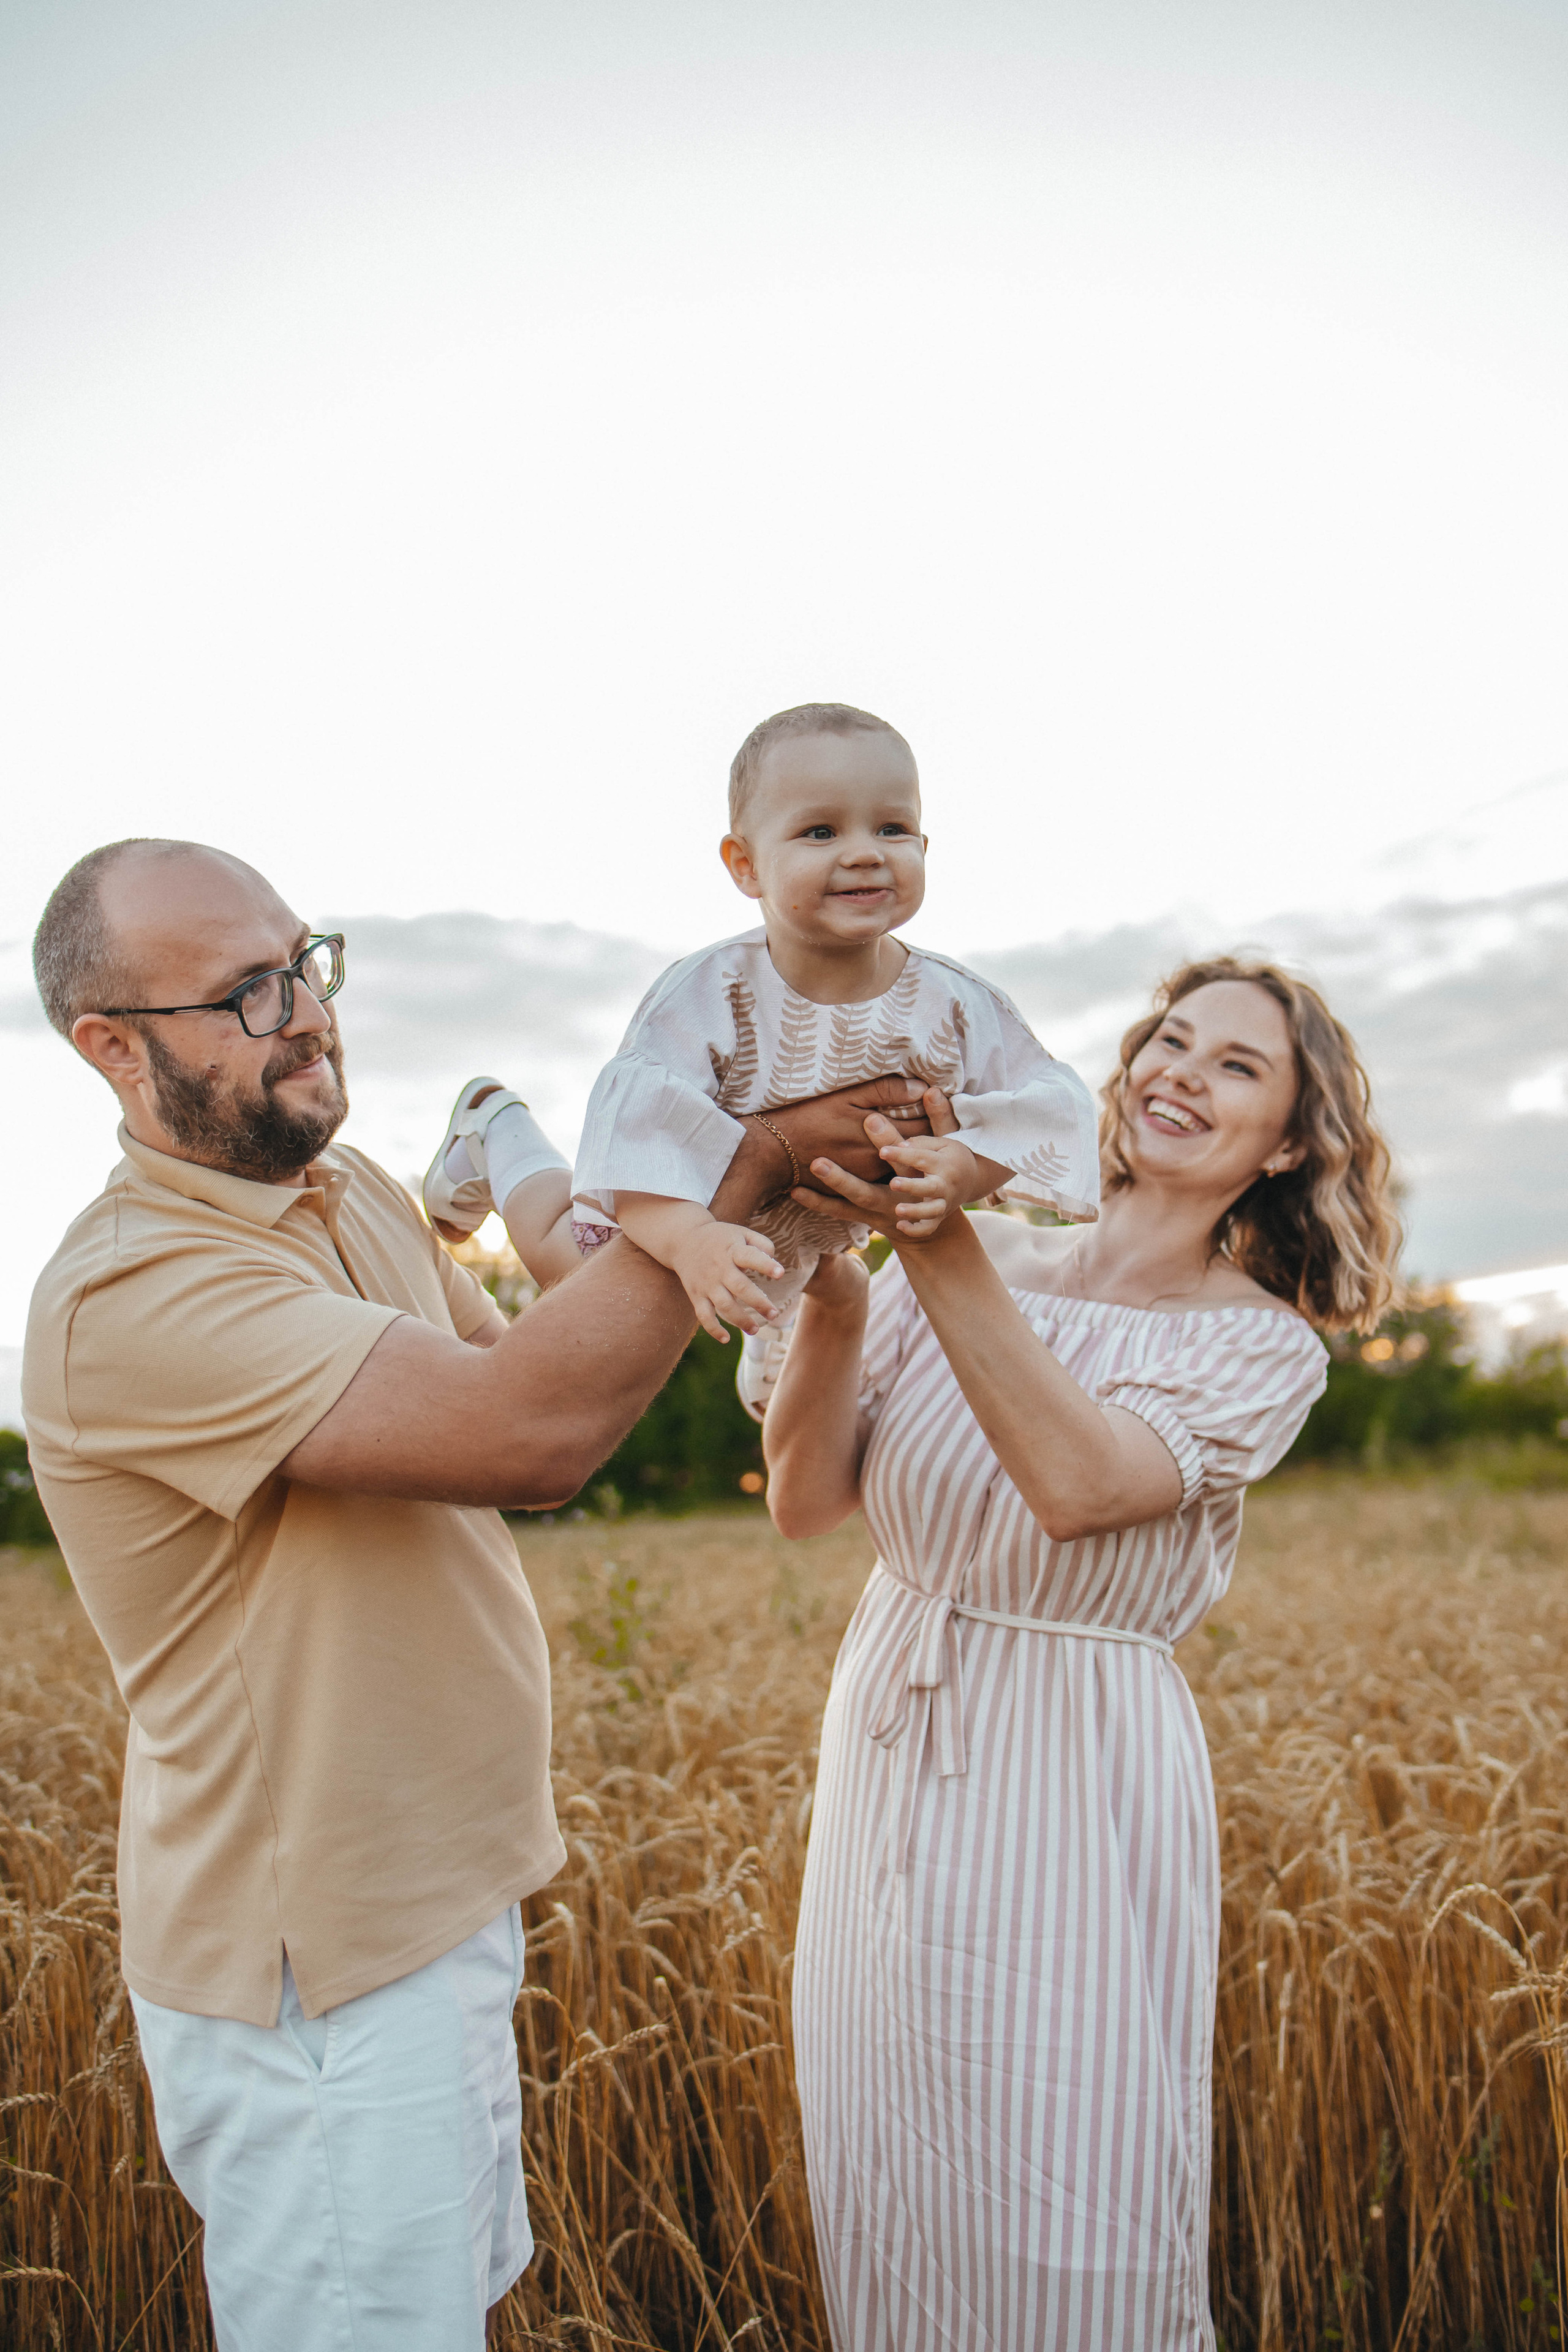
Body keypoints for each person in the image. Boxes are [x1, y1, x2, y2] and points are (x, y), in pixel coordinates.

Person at [20, 835, 930, 2352]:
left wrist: (731, 1215)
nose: (308, 1013)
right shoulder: (132, 1293)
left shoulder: (348, 1196)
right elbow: (529, 1429)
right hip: (319, 1969)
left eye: (306, 963)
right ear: (113, 1047)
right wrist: (750, 1160)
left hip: (436, 1905)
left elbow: (544, 1369)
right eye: (247, 994)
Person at [741, 957, 1401, 2351]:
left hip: (1072, 1762)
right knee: (884, 2139)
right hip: (889, 1723)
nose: (1182, 1074)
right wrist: (843, 1306)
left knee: (1068, 2148)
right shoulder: (976, 1251)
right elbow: (806, 1501)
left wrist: (936, 1238)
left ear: (1288, 1144)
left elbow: (1082, 1484)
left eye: (1236, 1065)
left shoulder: (1260, 1348)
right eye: (1172, 1040)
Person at [420, 703, 1099, 1338]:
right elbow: (638, 1141)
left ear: (925, 843)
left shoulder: (955, 1004)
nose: (865, 852)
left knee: (780, 1310)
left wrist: (966, 1169)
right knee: (581, 1281)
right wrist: (691, 1239)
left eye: (892, 828)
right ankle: (498, 1130)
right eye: (820, 831)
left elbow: (1046, 1107)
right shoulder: (712, 995)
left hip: (806, 1236)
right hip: (679, 1210)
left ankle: (789, 1334)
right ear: (746, 866)